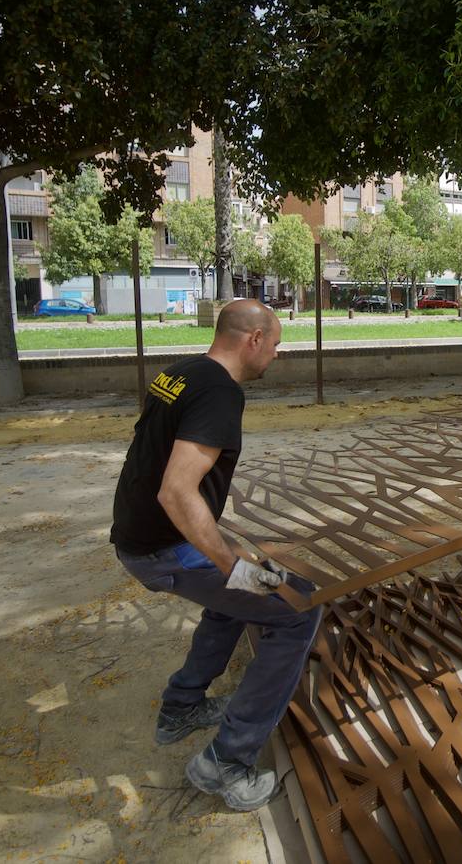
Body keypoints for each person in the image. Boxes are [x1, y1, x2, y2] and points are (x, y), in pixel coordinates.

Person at [110, 299, 320, 812]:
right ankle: (226, 760)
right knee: (298, 605)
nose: (276, 353)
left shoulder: (179, 373)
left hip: (142, 539)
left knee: (234, 598)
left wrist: (231, 564)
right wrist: (235, 566)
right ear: (252, 339)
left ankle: (182, 706)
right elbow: (177, 492)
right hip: (165, 549)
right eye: (274, 343)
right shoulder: (221, 393)